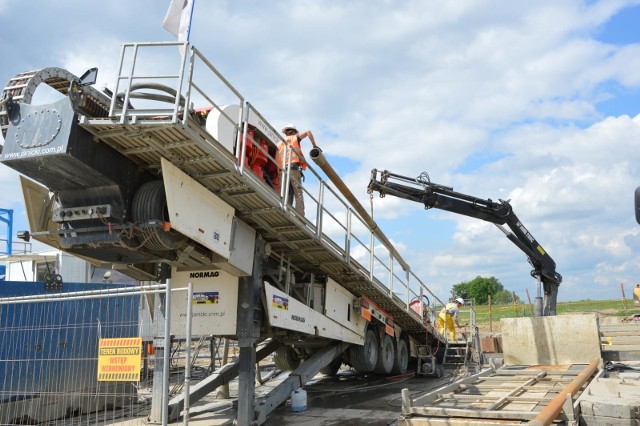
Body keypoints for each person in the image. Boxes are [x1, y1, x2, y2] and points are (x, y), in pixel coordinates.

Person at [275, 124, 317, 215]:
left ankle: (284, 212)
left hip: (282, 170)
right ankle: (300, 216)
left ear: (286, 132)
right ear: (294, 131)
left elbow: (276, 157)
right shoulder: (295, 138)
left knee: (285, 193)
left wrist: (278, 172)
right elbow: (308, 132)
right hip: (293, 168)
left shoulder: (279, 143)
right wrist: (314, 145)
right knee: (298, 193)